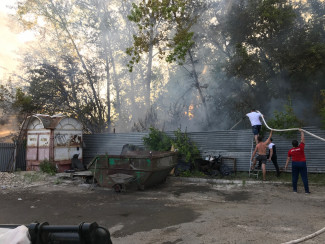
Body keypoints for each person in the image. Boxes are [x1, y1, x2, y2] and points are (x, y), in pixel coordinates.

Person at [285, 129, 310, 194]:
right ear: (298, 144)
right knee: (304, 177)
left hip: (295, 164)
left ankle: (295, 190)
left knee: (294, 177)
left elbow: (288, 159)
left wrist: (286, 166)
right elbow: (303, 139)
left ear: (292, 145)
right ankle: (306, 191)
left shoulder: (290, 151)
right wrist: (302, 132)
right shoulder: (301, 147)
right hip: (302, 163)